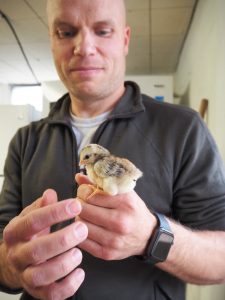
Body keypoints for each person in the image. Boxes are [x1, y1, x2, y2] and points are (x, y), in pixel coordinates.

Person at [0, 0, 225, 299]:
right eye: (66, 32)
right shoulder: (25, 140)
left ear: (125, 39)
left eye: (103, 30)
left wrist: (152, 236)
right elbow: (3, 246)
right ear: (52, 41)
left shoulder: (183, 129)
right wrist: (12, 266)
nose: (84, 47)